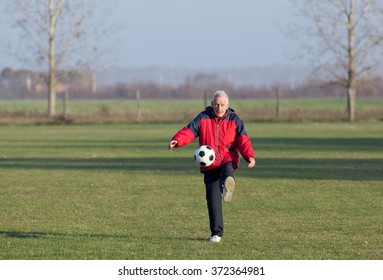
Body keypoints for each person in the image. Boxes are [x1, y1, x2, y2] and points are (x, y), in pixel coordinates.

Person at [168, 90, 256, 243]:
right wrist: (177, 141)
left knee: (227, 172)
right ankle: (216, 233)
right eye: (216, 104)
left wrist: (249, 157)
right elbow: (189, 131)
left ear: (227, 105)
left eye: (222, 105)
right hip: (209, 163)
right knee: (212, 199)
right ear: (211, 104)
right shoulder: (203, 117)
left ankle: (227, 185)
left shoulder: (234, 119)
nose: (219, 108)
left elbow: (243, 140)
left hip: (228, 158)